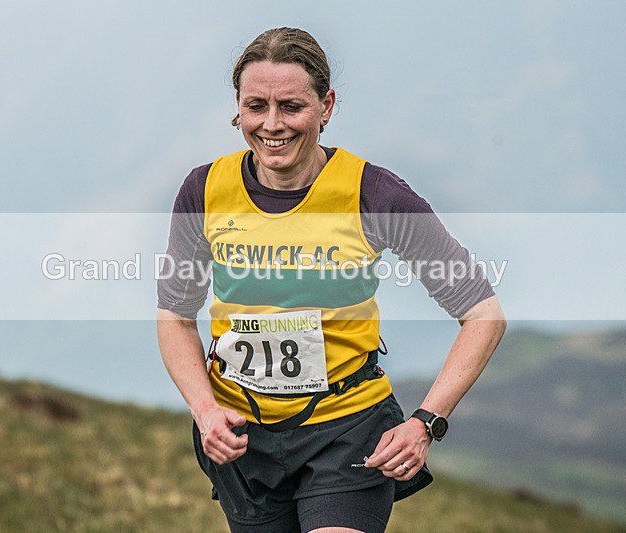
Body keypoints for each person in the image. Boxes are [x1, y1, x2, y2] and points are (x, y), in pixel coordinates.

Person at [157, 27, 506, 533]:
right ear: (238, 107)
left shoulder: (375, 195)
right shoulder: (204, 190)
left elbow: (483, 314)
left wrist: (426, 422)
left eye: (291, 107)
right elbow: (175, 316)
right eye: (256, 106)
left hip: (348, 430)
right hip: (241, 436)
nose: (272, 124)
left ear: (326, 106)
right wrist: (205, 411)